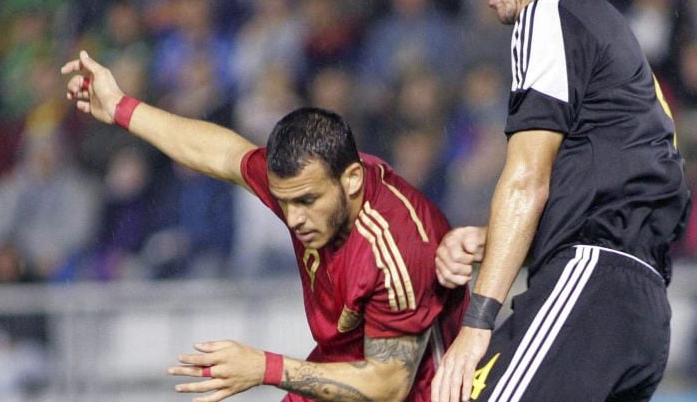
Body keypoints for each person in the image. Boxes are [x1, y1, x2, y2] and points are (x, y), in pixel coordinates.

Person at [62, 50, 468, 402]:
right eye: (285, 202)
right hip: (341, 364)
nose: (293, 219)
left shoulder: (396, 249)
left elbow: (388, 384)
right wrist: (120, 107)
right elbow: (222, 154)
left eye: (307, 202)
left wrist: (265, 368)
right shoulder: (308, 181)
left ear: (352, 182)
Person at [431, 0, 692, 402]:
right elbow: (615, 194)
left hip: (590, 287)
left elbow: (527, 181)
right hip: (639, 307)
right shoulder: (606, 29)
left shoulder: (548, 15)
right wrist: (497, 243)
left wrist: (476, 325)